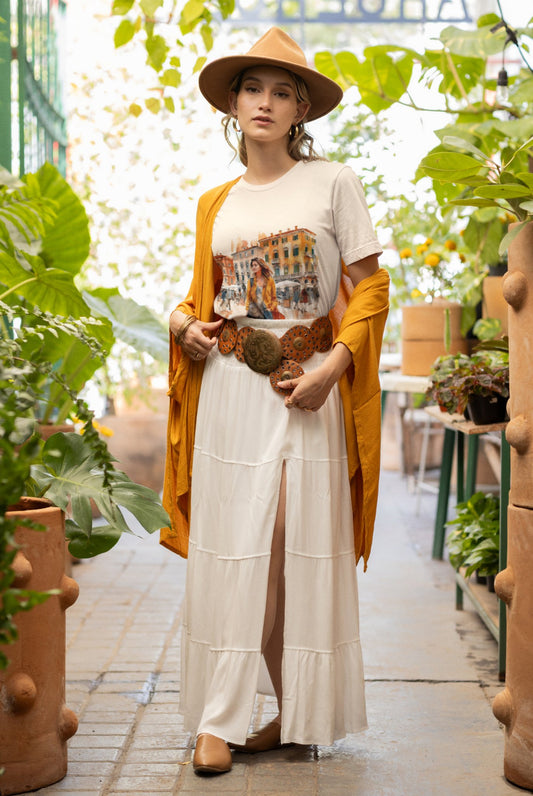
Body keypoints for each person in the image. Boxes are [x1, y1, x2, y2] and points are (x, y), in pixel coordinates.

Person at [161, 27, 390, 776]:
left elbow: (372, 285)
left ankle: (275, 712)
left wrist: (335, 364)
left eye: (281, 91)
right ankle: (233, 716)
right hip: (229, 394)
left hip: (306, 391)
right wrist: (182, 327)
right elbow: (198, 301)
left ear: (300, 112)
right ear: (232, 104)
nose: (265, 102)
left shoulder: (333, 184)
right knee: (241, 554)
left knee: (287, 545)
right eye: (252, 88)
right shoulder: (214, 202)